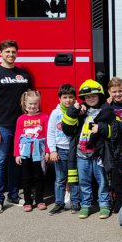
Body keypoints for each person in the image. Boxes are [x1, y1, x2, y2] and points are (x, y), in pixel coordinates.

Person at [0, 39, 31, 214]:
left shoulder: (24, 75)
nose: (11, 55)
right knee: (0, 162)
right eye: (7, 52)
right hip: (2, 126)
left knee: (16, 162)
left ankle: (14, 195)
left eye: (13, 52)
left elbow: (29, 100)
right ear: (0, 53)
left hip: (21, 127)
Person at [62, 80, 119, 220]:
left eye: (93, 96)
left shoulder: (107, 110)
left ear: (100, 95)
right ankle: (85, 206)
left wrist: (102, 129)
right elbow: (67, 129)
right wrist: (72, 111)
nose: (90, 98)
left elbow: (118, 131)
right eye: (87, 97)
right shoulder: (80, 111)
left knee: (103, 182)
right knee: (84, 182)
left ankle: (104, 205)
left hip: (99, 155)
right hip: (81, 155)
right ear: (83, 98)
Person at [13, 90, 50, 212]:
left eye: (35, 104)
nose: (33, 106)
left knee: (39, 176)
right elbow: (17, 137)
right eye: (30, 104)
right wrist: (17, 154)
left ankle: (39, 200)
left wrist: (48, 151)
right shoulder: (21, 119)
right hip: (25, 153)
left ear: (39, 104)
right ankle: (28, 201)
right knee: (26, 178)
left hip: (39, 153)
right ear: (25, 104)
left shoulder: (44, 117)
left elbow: (47, 135)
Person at [47, 83, 80, 215]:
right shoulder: (55, 113)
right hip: (60, 150)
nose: (68, 100)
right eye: (65, 97)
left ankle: (76, 203)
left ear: (75, 98)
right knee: (60, 179)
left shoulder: (78, 111)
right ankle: (59, 203)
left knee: (74, 178)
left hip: (74, 150)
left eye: (71, 97)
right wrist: (52, 150)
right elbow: (50, 132)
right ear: (59, 99)